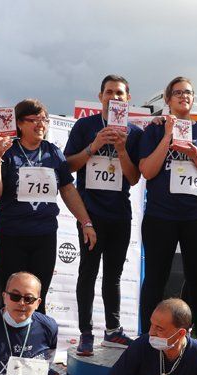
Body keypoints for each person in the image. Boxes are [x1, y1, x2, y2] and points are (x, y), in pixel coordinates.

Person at [0, 99, 97, 313]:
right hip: (12, 234)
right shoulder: (8, 152)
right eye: (33, 119)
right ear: (19, 123)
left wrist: (86, 222)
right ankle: (10, 342)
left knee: (37, 296)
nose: (40, 124)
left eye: (44, 119)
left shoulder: (53, 153)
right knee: (13, 297)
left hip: (44, 235)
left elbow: (68, 189)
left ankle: (36, 343)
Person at [138, 76, 197, 358]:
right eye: (177, 93)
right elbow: (147, 171)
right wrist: (167, 138)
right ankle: (146, 336)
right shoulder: (154, 130)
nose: (183, 97)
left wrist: (195, 155)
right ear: (167, 99)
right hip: (161, 215)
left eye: (188, 92)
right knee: (155, 278)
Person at [64, 75, 143, 355]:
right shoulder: (85, 127)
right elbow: (67, 167)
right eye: (109, 92)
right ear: (100, 97)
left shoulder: (133, 132)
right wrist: (94, 146)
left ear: (127, 98)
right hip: (90, 213)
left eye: (120, 93)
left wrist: (121, 149)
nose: (114, 97)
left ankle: (113, 330)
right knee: (87, 272)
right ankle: (86, 332)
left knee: (114, 275)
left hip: (119, 213)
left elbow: (134, 178)